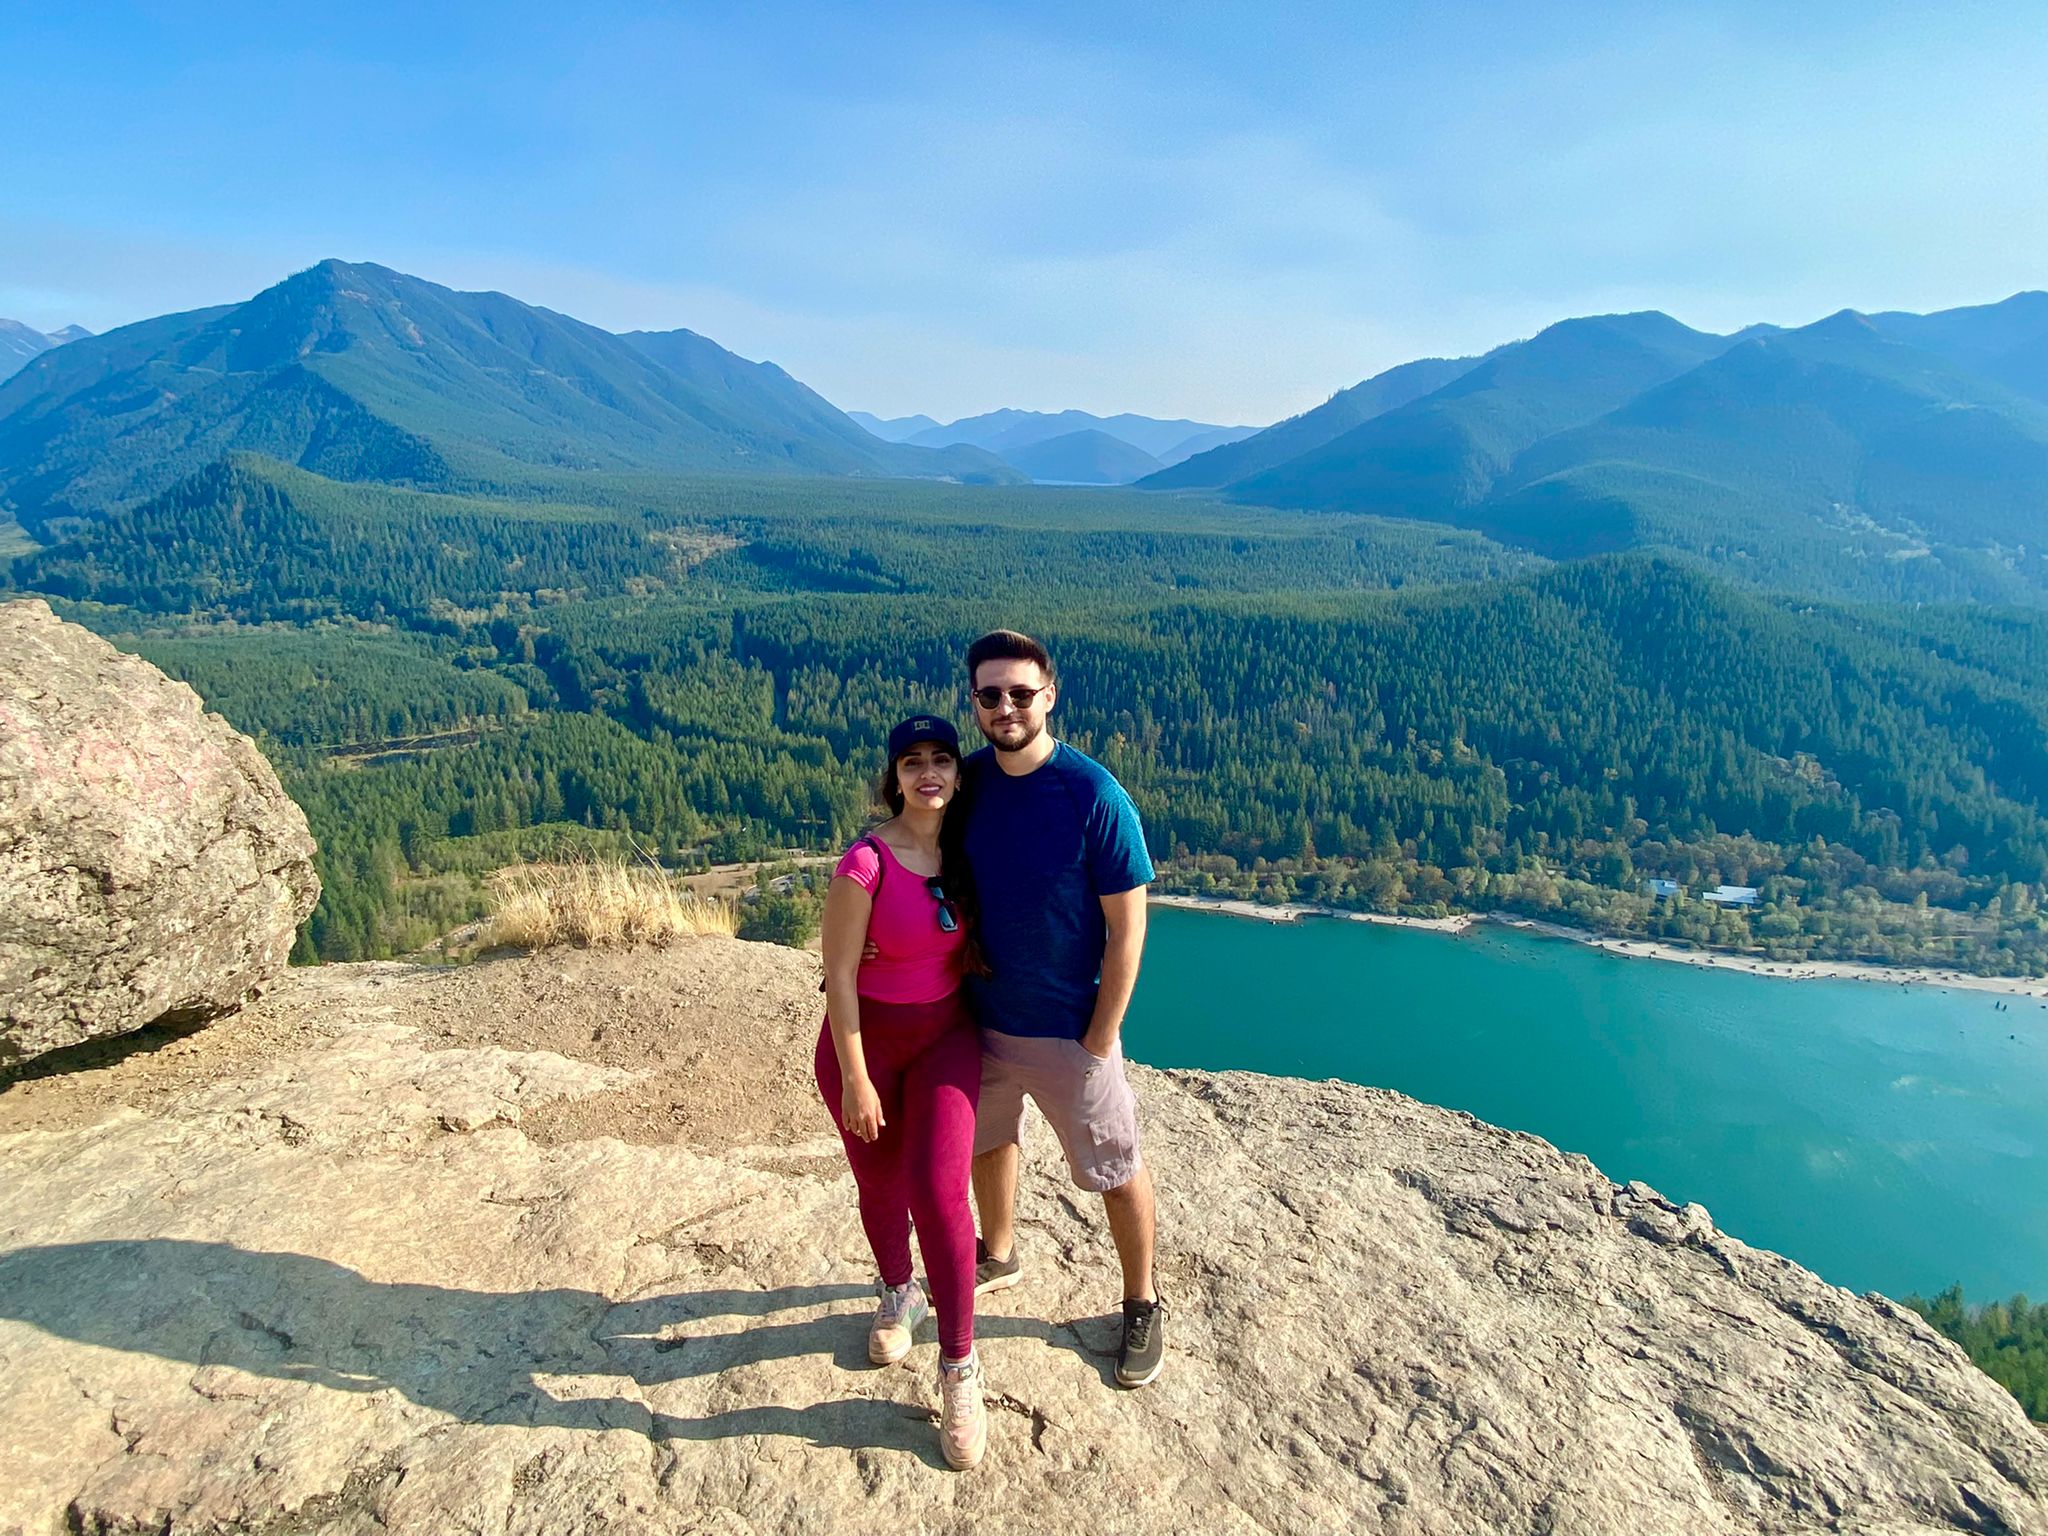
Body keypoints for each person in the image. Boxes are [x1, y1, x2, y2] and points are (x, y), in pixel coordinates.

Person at [958, 630, 1166, 1389]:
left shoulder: (1094, 795)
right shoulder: (969, 784)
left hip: (1068, 1030)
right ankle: (1000, 1251)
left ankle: (1142, 1301)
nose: (1005, 706)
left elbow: (1128, 929)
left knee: (1114, 1168)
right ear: (974, 702)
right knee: (987, 1143)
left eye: (1020, 693)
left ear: (1049, 696)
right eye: (990, 694)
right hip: (979, 1019)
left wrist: (1100, 1036)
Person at [815, 713, 988, 1469]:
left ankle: (959, 1367)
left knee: (939, 1190)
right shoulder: (865, 863)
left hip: (946, 1038)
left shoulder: (968, 852)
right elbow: (841, 975)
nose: (929, 773)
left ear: (957, 773)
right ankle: (898, 1292)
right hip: (867, 1047)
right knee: (880, 1184)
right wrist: (856, 1077)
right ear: (895, 776)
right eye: (913, 761)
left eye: (942, 760)